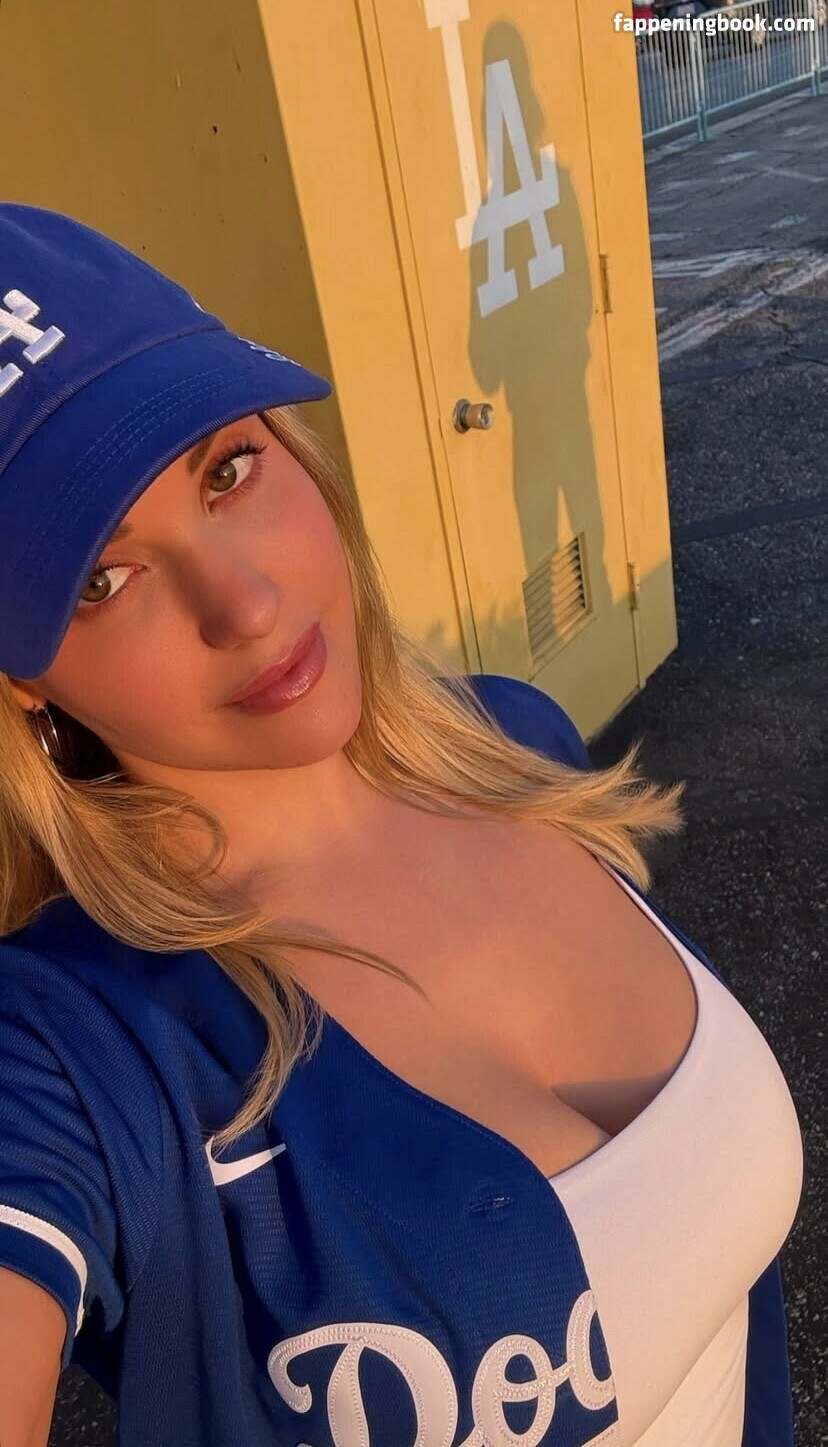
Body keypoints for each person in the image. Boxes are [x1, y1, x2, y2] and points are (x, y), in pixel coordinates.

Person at [0, 203, 803, 1447]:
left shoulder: (513, 744)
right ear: (20, 681)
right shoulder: (76, 1042)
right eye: (102, 580)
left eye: (228, 470)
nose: (247, 604)